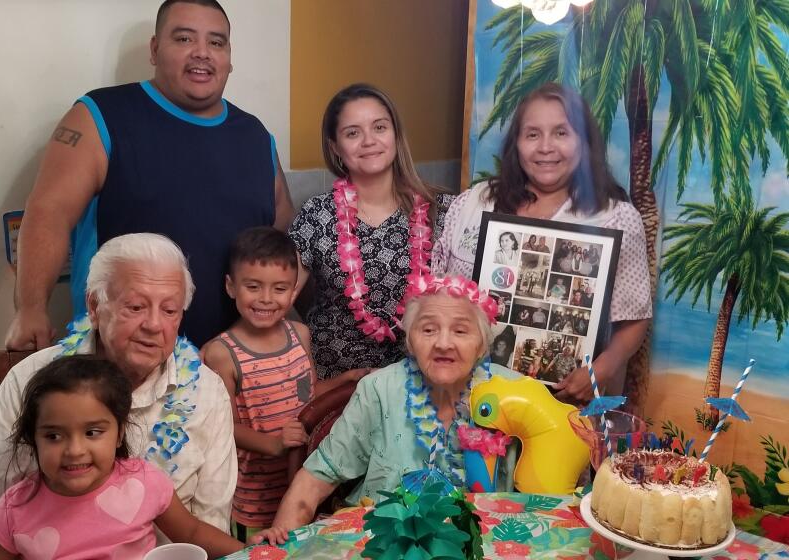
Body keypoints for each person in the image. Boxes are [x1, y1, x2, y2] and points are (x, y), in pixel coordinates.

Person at [5, 0, 294, 350]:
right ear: (155, 50)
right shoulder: (99, 115)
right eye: (184, 39)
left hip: (232, 366)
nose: (202, 53)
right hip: (119, 363)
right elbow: (49, 211)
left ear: (229, 58)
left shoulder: (256, 137)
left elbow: (281, 237)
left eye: (216, 42)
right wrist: (31, 308)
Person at [0, 233, 236, 556]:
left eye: (170, 310)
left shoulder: (206, 391)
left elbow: (208, 526)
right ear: (94, 305)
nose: (155, 325)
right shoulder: (32, 379)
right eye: (136, 306)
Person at [250, 276, 519, 544]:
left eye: (460, 331)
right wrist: (276, 543)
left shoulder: (513, 393)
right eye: (428, 330)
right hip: (380, 541)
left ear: (482, 345)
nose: (443, 343)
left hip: (484, 543)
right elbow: (316, 477)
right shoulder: (379, 389)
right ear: (411, 342)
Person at [433, 82, 651, 402]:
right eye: (532, 134)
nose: (545, 147)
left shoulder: (615, 217)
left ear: (584, 142)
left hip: (559, 404)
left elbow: (634, 317)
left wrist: (599, 371)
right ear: (516, 144)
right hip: (464, 392)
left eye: (562, 133)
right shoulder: (473, 202)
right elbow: (434, 291)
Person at [0, 356, 243, 559]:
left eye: (92, 432)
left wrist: (251, 551)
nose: (75, 450)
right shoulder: (13, 510)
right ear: (33, 439)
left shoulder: (144, 481)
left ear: (119, 434)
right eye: (54, 436)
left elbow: (192, 532)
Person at [200, 227, 365, 541]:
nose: (265, 298)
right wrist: (274, 442)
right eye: (253, 286)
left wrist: (345, 380)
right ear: (231, 287)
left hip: (304, 484)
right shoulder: (221, 354)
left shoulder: (299, 334)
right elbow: (220, 427)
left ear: (293, 293)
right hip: (253, 500)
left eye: (279, 289)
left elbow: (308, 394)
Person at [289, 83, 453, 379]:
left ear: (395, 135)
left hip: (419, 382)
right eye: (353, 133)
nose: (369, 141)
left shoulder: (441, 212)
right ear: (335, 147)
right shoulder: (316, 214)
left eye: (379, 127)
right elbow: (276, 295)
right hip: (334, 383)